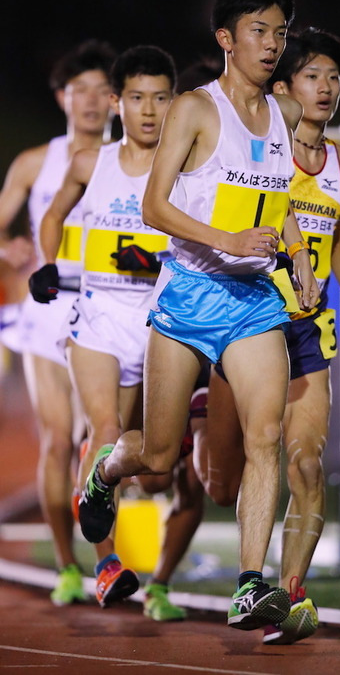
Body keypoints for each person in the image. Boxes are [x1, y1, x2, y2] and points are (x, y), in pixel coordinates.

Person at [77, 0, 320, 632]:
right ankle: (104, 472)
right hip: (187, 293)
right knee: (158, 459)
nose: (273, 45)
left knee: (263, 437)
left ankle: (250, 583)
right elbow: (156, 207)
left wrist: (296, 256)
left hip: (251, 302)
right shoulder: (193, 109)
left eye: (280, 33)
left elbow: (280, 200)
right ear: (226, 39)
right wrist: (226, 240)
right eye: (260, 32)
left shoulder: (287, 115)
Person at [194, 27, 340, 645]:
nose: (325, 89)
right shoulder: (260, 152)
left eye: (334, 78)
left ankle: (291, 594)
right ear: (284, 89)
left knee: (307, 463)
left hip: (307, 330)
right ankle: (199, 411)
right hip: (244, 319)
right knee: (222, 484)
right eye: (312, 77)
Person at [30, 45, 204, 618]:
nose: (149, 111)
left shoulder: (185, 169)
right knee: (102, 427)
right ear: (116, 103)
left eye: (160, 98)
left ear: (173, 103)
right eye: (136, 98)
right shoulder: (91, 163)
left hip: (159, 324)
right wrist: (48, 261)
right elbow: (53, 215)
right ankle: (106, 566)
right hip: (98, 318)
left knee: (150, 467)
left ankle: (135, 545)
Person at [0, 39, 115, 606]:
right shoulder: (34, 161)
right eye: (80, 90)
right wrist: (12, 248)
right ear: (61, 97)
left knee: (100, 442)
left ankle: (104, 560)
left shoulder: (131, 158)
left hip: (108, 308)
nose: (91, 101)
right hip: (45, 310)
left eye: (102, 90)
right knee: (57, 440)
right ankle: (69, 565)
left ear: (117, 100)